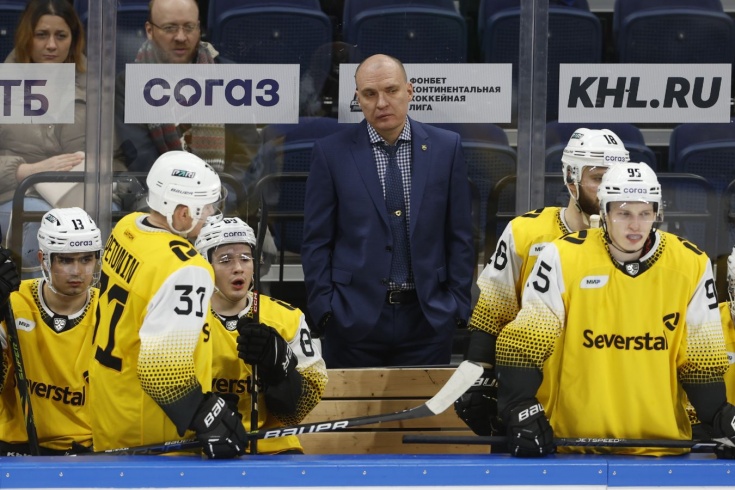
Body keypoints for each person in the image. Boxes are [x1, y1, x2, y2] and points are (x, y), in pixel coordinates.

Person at [495, 161, 735, 458]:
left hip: (660, 447)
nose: (635, 225)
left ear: (657, 213)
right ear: (604, 211)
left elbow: (701, 361)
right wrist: (518, 406)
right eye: (624, 213)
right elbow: (524, 343)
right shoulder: (562, 256)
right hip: (575, 445)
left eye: (644, 213)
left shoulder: (691, 263)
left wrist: (720, 417)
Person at [301, 54, 474, 368]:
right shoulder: (331, 153)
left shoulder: (446, 148)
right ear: (358, 99)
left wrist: (457, 305)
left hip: (428, 318)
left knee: (424, 403)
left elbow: (460, 235)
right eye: (370, 94)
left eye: (391, 90)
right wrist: (325, 309)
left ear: (409, 91)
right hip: (352, 320)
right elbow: (316, 241)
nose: (381, 103)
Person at [454, 128, 629, 436]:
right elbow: (492, 311)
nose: (610, 189)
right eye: (598, 178)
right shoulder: (525, 232)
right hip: (530, 399)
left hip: (608, 397)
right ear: (571, 177)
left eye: (617, 178)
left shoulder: (636, 243)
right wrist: (479, 375)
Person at [88, 151, 248, 459]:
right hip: (153, 433)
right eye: (206, 206)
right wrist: (205, 413)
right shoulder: (186, 269)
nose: (211, 212)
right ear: (182, 213)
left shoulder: (127, 228)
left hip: (109, 408)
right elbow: (161, 370)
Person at [194, 217, 328, 454]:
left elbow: (301, 407)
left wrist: (281, 366)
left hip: (272, 446)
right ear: (205, 265)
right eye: (225, 260)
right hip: (200, 445)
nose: (238, 267)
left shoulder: (286, 317)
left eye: (246, 258)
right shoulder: (185, 317)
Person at [113, 0, 261, 193]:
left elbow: (246, 152)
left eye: (189, 27)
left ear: (199, 28)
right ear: (150, 30)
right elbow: (140, 158)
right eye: (170, 28)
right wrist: (181, 198)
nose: (181, 37)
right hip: (159, 197)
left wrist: (222, 197)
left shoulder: (230, 77)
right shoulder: (128, 83)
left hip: (221, 198)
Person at [0, 208, 100, 455]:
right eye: (65, 260)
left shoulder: (109, 310)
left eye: (86, 259)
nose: (77, 271)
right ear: (43, 259)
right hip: (15, 444)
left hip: (84, 447)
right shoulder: (13, 301)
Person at [0, 0, 87, 276]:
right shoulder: (3, 82)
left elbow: (117, 156)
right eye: (41, 35)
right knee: (43, 219)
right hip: (16, 192)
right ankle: (32, 299)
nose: (51, 45)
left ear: (73, 40)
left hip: (77, 188)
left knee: (109, 210)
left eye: (61, 36)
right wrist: (26, 171)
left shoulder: (95, 84)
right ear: (27, 37)